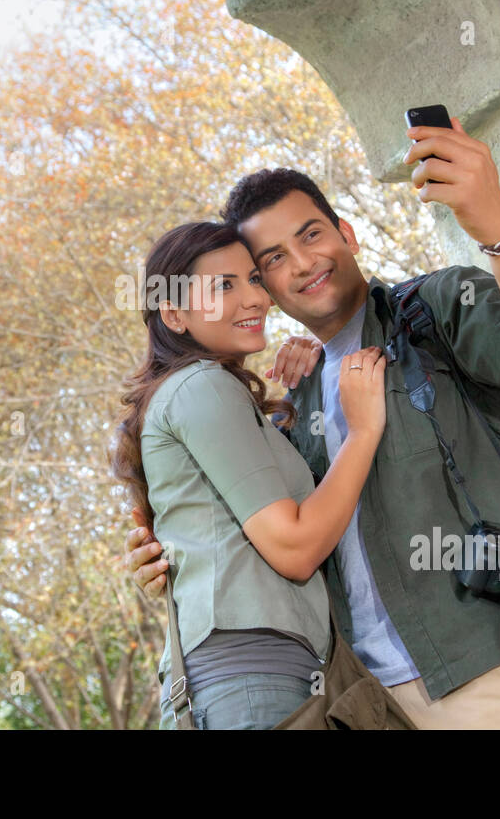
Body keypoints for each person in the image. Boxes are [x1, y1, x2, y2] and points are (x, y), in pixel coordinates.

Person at [126, 119, 500, 728]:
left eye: (311, 234)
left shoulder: (435, 311)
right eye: (271, 259)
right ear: (263, 284)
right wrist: (178, 558)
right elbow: (288, 539)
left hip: (485, 675)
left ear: (345, 233)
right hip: (360, 705)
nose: (301, 263)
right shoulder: (290, 404)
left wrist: (497, 228)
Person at [110, 220, 387, 729]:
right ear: (173, 314)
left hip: (252, 678)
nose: (254, 298)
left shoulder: (203, 393)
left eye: (254, 279)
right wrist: (364, 430)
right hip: (254, 681)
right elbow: (296, 548)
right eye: (223, 286)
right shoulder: (201, 387)